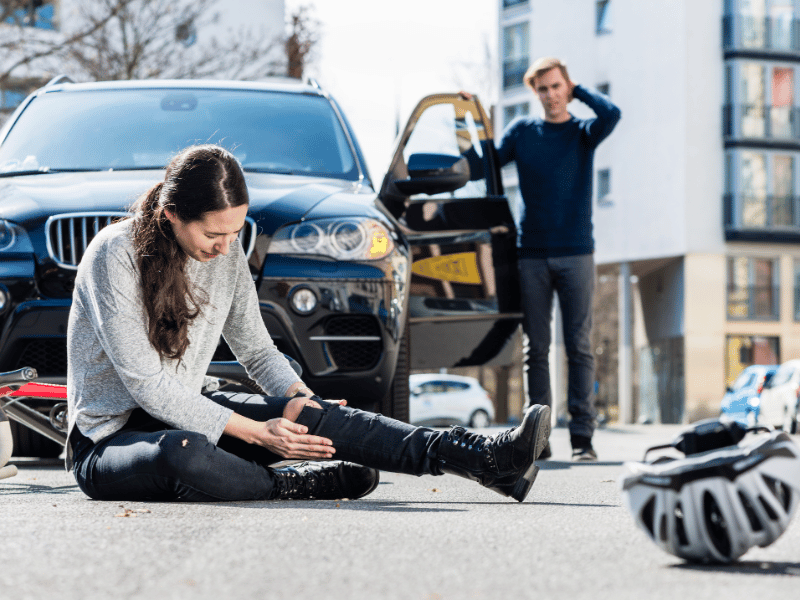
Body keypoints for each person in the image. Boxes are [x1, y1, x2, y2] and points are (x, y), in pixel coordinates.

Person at [65, 144, 551, 503]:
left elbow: (256, 351)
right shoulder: (115, 254)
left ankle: (483, 459)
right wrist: (258, 434)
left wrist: (303, 399)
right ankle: (288, 483)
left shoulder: (226, 250)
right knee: (183, 451)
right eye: (214, 233)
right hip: (110, 442)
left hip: (188, 408)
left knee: (304, 413)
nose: (224, 245)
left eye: (235, 231)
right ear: (171, 214)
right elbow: (147, 386)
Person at [463, 57, 621, 461]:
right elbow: (485, 165)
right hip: (531, 254)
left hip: (577, 254)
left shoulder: (584, 132)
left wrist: (579, 88)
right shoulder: (524, 133)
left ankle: (583, 439)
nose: (551, 95)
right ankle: (539, 438)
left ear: (567, 86)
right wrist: (468, 118)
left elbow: (612, 113)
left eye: (557, 86)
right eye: (543, 89)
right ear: (536, 94)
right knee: (537, 349)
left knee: (580, 347)